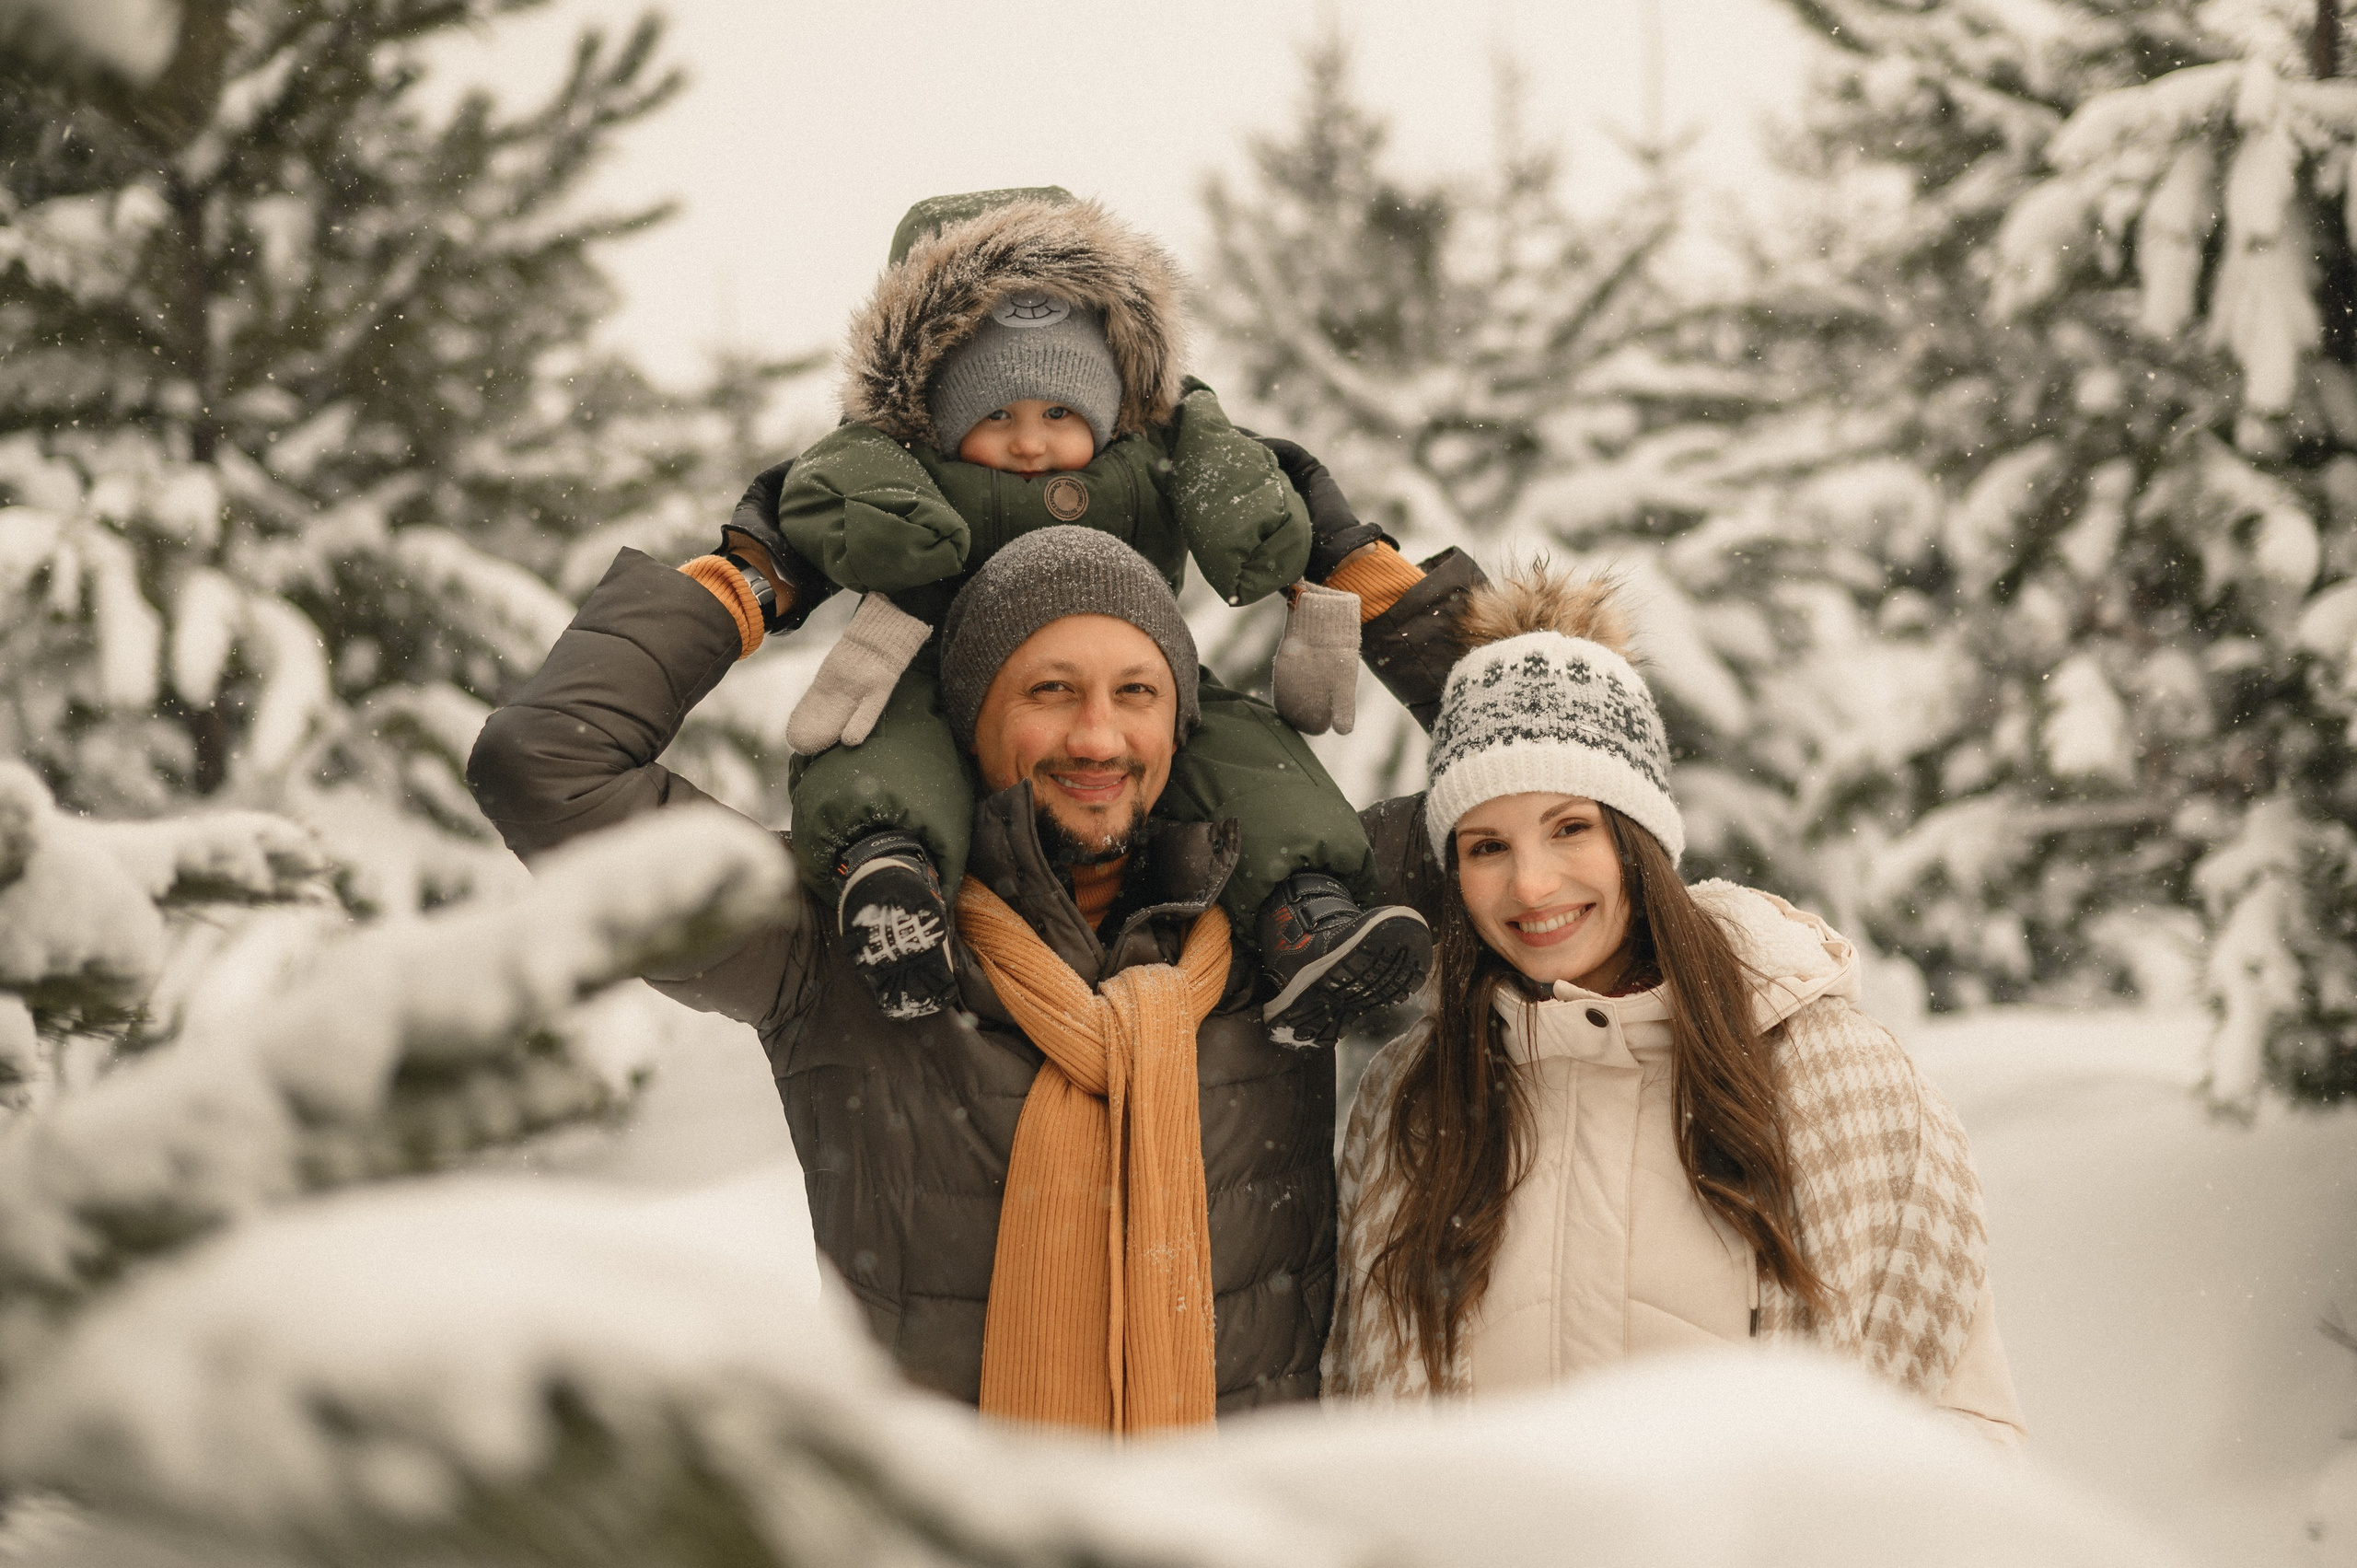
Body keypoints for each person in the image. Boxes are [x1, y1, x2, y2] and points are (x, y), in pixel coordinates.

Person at [468, 515, 1470, 1431]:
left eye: (1137, 692)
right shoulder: (848, 935)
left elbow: (1537, 772)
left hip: (1245, 1527)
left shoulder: (1302, 930)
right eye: (1049, 690)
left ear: (1182, 721)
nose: (1098, 737)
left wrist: (1353, 568)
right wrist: (752, 577)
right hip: (941, 1528)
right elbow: (547, 764)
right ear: (969, 716)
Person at [1320, 563, 2027, 1446]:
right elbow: (1367, 1432)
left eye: (1570, 827)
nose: (1531, 884)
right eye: (1487, 845)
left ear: (1639, 837)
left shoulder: (1833, 1077)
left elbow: (1957, 1424)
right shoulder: (1413, 1105)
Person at [699, 186, 1426, 1045]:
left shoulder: (1163, 443)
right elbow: (818, 491)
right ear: (932, 414)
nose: (1030, 442)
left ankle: (1305, 909)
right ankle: (891, 876)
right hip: (932, 661)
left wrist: (1273, 533)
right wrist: (871, 524)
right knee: (884, 747)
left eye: (1058, 413)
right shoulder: (892, 454)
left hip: (1140, 669)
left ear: (1111, 403)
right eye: (994, 415)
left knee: (1243, 748)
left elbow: (1253, 478)